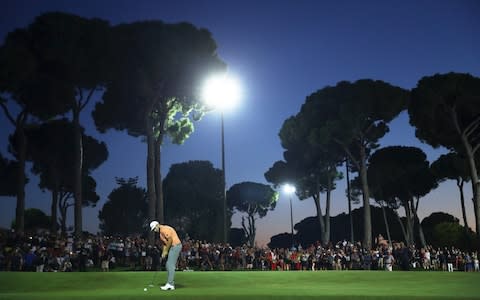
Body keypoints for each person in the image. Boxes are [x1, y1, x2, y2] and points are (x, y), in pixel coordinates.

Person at [150, 221, 182, 291]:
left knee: (170, 265)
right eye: (153, 229)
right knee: (168, 265)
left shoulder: (164, 229)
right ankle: (170, 283)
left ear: (157, 225)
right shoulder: (161, 234)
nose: (154, 230)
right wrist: (163, 252)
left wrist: (166, 251)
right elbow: (165, 243)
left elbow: (170, 240)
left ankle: (170, 284)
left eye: (154, 228)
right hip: (172, 247)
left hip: (176, 246)